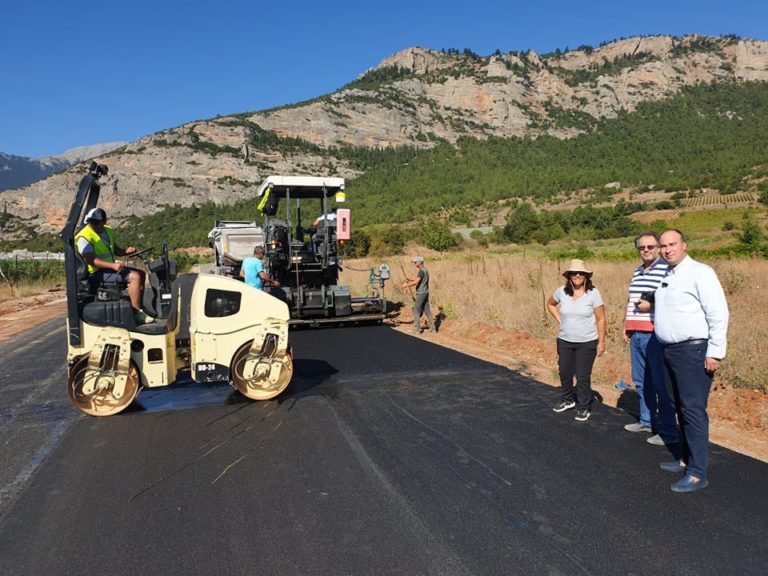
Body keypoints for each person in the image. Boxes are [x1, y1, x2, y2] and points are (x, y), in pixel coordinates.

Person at [654, 229, 729, 493]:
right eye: (663, 245)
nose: (667, 249)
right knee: (679, 407)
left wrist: (715, 351)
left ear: (684, 245)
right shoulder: (667, 274)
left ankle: (698, 473)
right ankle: (685, 459)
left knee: (693, 410)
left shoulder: (701, 272)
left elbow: (718, 312)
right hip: (669, 351)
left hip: (693, 351)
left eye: (672, 244)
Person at [622, 232, 679, 446]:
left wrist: (652, 305)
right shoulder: (638, 271)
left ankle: (667, 430)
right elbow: (631, 300)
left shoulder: (667, 270)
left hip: (654, 333)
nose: (646, 250)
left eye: (650, 247)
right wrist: (625, 325)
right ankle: (647, 420)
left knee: (659, 382)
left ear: (658, 248)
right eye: (641, 248)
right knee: (640, 380)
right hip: (636, 332)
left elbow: (673, 299)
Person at [547, 259, 606, 422]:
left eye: (581, 273)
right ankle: (567, 400)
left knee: (582, 375)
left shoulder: (593, 293)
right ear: (569, 276)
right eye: (574, 273)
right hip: (565, 340)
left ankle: (583, 407)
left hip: (587, 342)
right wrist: (561, 320)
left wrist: (601, 342)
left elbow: (601, 319)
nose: (577, 275)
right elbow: (550, 304)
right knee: (564, 372)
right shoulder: (561, 291)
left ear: (586, 276)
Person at [75, 208, 154, 325]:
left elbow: (116, 249)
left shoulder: (107, 231)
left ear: (104, 221)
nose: (95, 225)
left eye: (98, 223)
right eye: (93, 222)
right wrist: (112, 265)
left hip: (110, 270)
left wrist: (126, 251)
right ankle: (135, 313)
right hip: (97, 273)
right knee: (135, 277)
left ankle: (139, 308)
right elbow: (91, 260)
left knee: (141, 274)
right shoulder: (84, 237)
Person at [401, 256, 436, 334]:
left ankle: (417, 329)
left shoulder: (421, 271)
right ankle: (433, 329)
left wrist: (406, 285)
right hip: (425, 293)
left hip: (421, 294)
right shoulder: (425, 270)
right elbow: (418, 279)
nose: (414, 263)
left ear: (420, 262)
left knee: (416, 310)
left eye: (415, 262)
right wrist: (410, 279)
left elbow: (416, 282)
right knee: (427, 311)